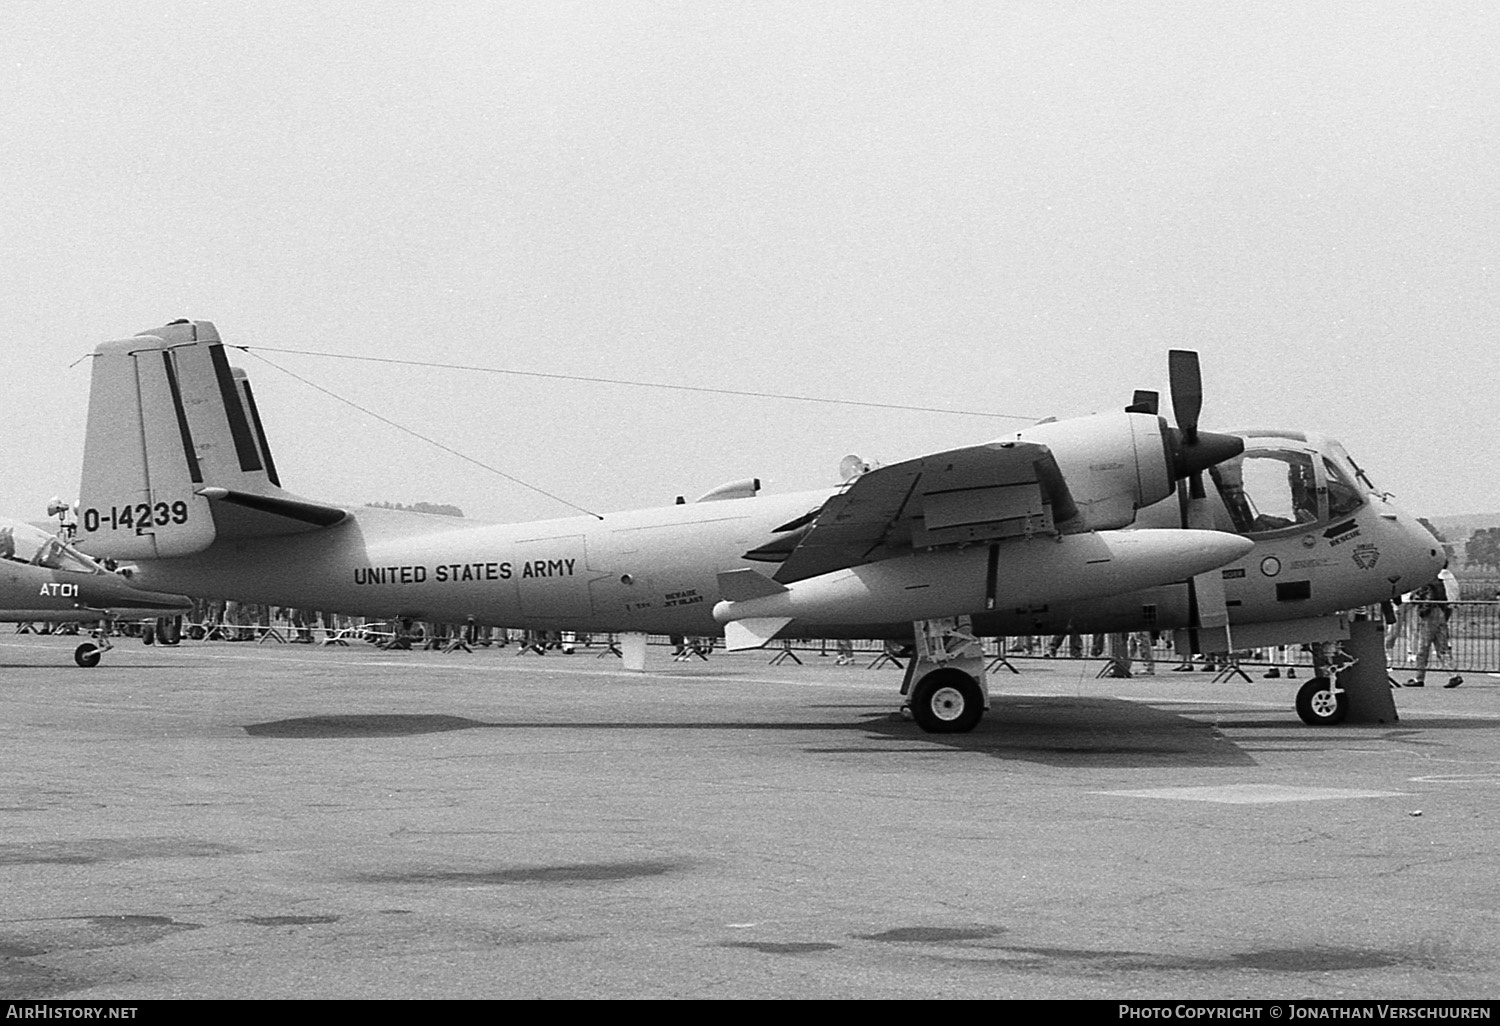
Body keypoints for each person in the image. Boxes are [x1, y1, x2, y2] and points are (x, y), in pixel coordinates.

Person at [1407, 572, 1462, 688]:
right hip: (1439, 613)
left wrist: (1422, 610)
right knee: (1442, 647)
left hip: (1430, 615)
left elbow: (1426, 600)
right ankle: (1453, 674)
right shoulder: (1439, 583)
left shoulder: (1427, 584)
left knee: (1423, 647)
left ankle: (1419, 677)